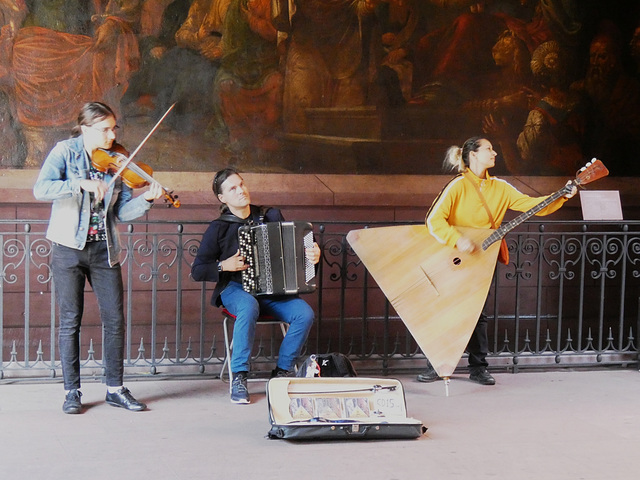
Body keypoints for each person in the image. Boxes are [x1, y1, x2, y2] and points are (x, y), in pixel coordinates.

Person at [33, 102, 164, 414]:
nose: (112, 135)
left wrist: (146, 199)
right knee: (70, 321)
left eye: (114, 128)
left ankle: (115, 389)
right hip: (68, 247)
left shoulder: (117, 163)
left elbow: (121, 213)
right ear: (85, 128)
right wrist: (79, 184)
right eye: (105, 129)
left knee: (115, 319)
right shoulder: (64, 152)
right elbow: (41, 189)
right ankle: (72, 392)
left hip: (105, 248)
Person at [416, 136, 576, 386]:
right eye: (489, 149)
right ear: (473, 155)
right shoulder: (457, 186)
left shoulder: (501, 187)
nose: (495, 153)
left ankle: (478, 368)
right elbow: (434, 220)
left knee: (478, 314)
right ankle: (436, 365)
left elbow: (534, 206)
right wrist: (458, 241)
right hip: (453, 257)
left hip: (483, 257)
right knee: (447, 311)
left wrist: (563, 195)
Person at [191, 167, 320, 404]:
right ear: (222, 198)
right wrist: (224, 266)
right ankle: (239, 376)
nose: (241, 191)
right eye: (233, 188)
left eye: (242, 184)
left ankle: (281, 372)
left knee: (304, 313)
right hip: (235, 289)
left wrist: (313, 254)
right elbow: (197, 270)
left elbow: (297, 246)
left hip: (273, 290)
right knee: (249, 306)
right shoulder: (218, 228)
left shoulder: (270, 216)